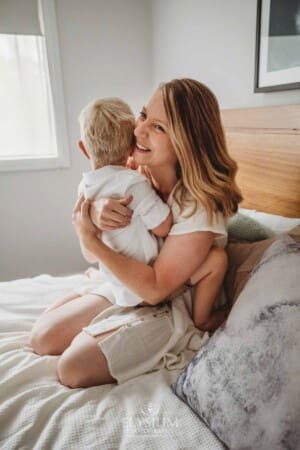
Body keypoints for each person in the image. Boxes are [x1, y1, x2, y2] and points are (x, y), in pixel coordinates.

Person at [30, 78, 242, 389]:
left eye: (159, 127)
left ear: (187, 141)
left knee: (72, 369)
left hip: (167, 300)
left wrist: (91, 238)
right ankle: (93, 301)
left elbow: (155, 289)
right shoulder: (132, 173)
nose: (139, 130)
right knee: (42, 338)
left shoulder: (199, 207)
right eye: (143, 115)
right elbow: (90, 256)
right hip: (127, 282)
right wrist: (94, 212)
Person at [76, 97, 172, 307]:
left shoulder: (84, 189)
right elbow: (163, 227)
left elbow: (90, 255)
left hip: (117, 283)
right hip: (140, 287)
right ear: (132, 147)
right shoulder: (133, 183)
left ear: (83, 149)